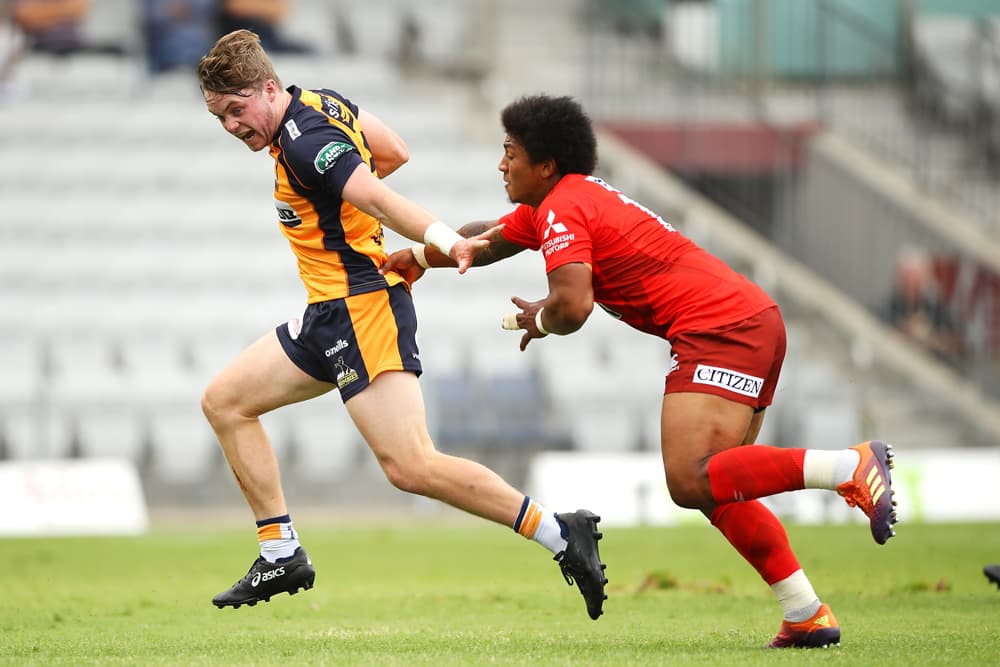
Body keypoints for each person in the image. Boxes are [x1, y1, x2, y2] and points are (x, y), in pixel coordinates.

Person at [382, 94, 899, 649]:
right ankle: (805, 612)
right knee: (717, 491)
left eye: (511, 152)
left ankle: (849, 465)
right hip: (749, 320)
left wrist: (542, 319)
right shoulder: (559, 202)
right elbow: (485, 241)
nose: (501, 164)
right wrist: (421, 256)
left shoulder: (562, 209)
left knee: (689, 478)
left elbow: (573, 307)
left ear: (546, 165)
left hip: (718, 328)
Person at [194, 31, 608, 620]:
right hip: (326, 310)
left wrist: (445, 240)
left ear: (266, 89)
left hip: (360, 308)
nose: (233, 125)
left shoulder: (306, 143)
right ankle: (280, 551)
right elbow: (393, 148)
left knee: (410, 465)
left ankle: (562, 535)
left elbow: (382, 196)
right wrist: (345, 207)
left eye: (237, 110)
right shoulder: (320, 101)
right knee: (225, 402)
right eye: (220, 116)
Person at [11, 0, 126, 57]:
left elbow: (79, 8)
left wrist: (44, 13)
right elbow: (24, 15)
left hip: (72, 42)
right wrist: (61, 12)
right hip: (33, 43)